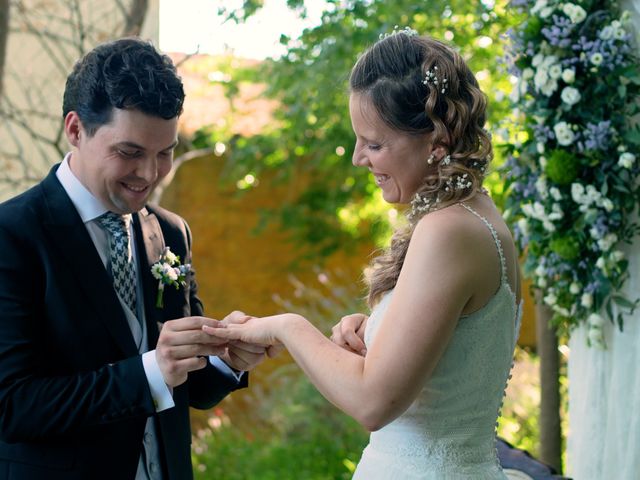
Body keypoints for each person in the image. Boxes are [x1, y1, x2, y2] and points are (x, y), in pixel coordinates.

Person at [204, 31, 523, 478]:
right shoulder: (477, 218)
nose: (358, 158)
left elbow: (374, 402)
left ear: (436, 139)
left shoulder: (447, 231)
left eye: (373, 144)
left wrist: (285, 326)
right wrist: (374, 332)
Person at [0, 38, 265, 480]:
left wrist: (224, 358)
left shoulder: (171, 233)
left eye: (165, 152)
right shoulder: (12, 236)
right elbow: (13, 406)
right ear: (75, 129)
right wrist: (148, 372)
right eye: (130, 152)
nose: (149, 174)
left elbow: (183, 384)